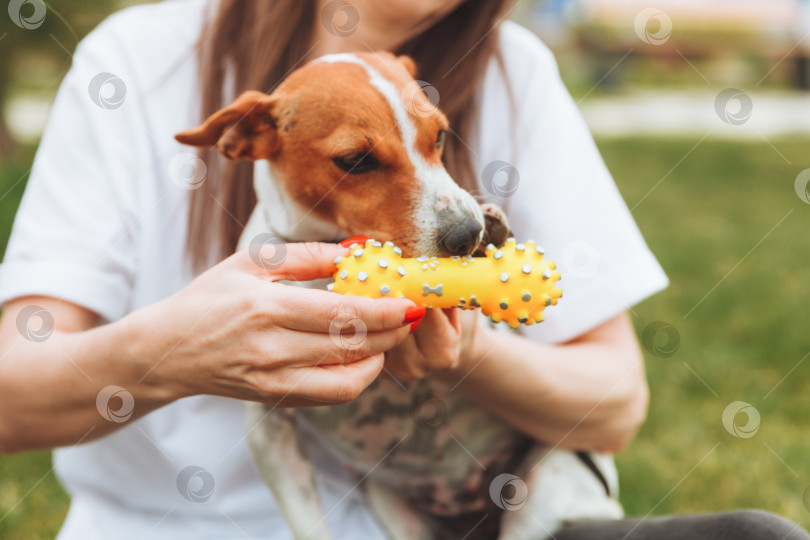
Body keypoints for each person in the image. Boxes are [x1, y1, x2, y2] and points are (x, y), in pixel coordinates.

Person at [0, 0, 806, 539]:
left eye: (433, 141)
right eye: (361, 163)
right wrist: (173, 356)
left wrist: (475, 357)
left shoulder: (515, 68)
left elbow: (617, 404)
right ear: (243, 141)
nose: (448, 207)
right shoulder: (134, 61)